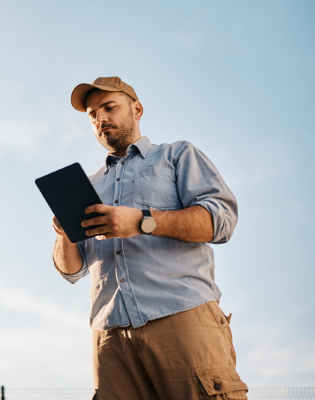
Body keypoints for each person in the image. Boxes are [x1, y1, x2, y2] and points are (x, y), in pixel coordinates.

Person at [53, 77, 248, 400]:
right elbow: (71, 271)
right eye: (92, 115)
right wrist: (65, 235)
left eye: (109, 107)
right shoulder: (89, 185)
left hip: (181, 318)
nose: (100, 118)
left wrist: (142, 221)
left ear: (137, 109)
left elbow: (221, 220)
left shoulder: (176, 155)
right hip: (110, 339)